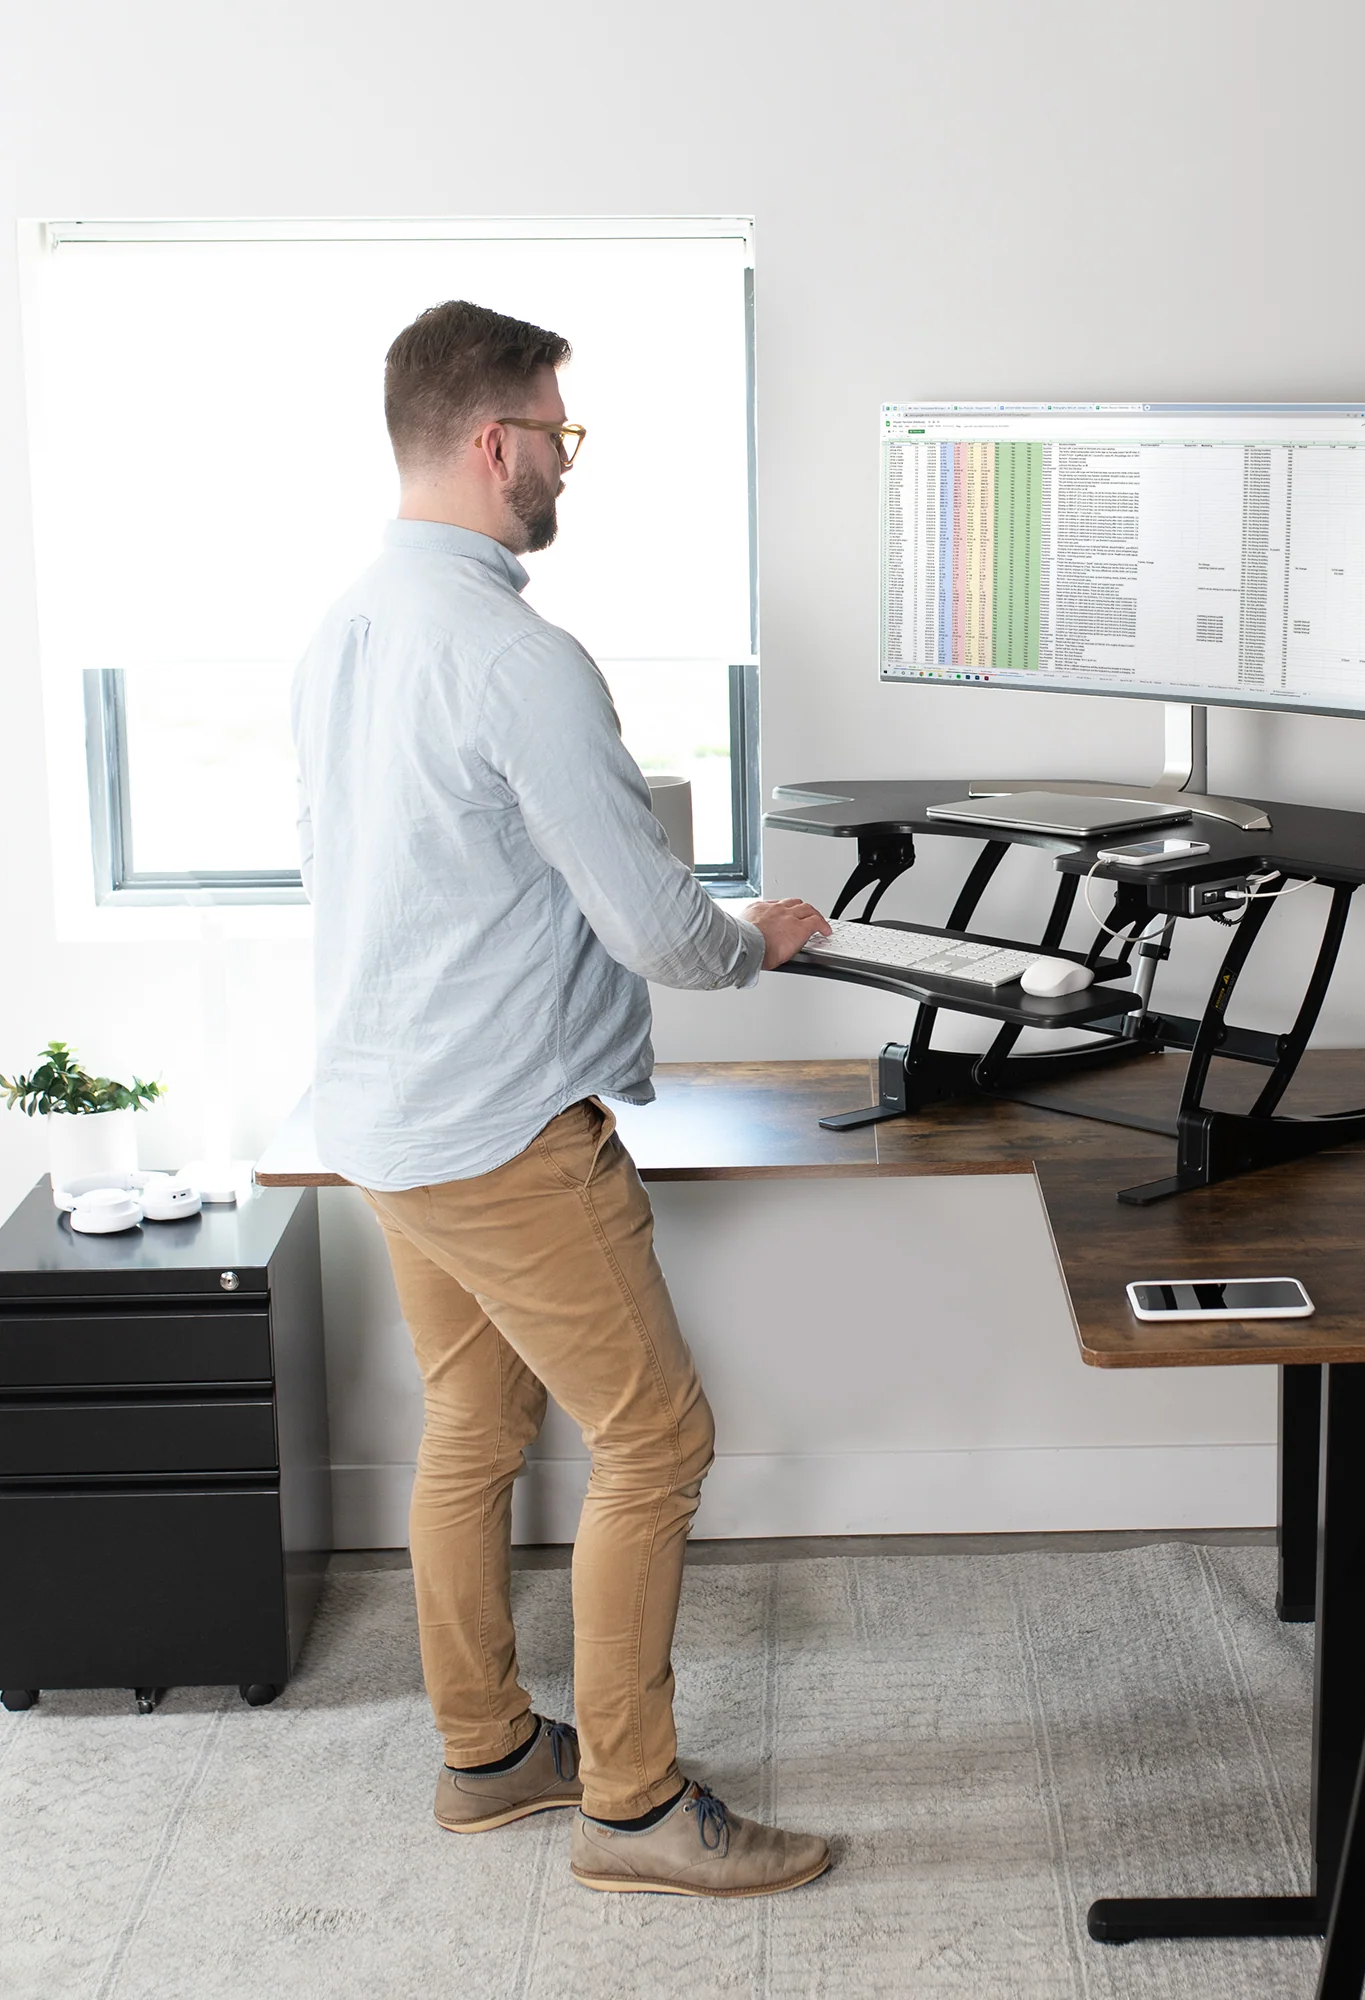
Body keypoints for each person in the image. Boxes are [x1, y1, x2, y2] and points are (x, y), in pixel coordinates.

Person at [291, 299, 832, 1899]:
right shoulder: (519, 657)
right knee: (658, 1436)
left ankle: (487, 1759)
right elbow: (654, 925)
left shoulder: (346, 626)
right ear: (492, 442)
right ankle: (637, 1808)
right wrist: (759, 943)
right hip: (504, 1130)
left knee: (470, 1419)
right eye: (558, 435)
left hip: (384, 1112)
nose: (563, 469)